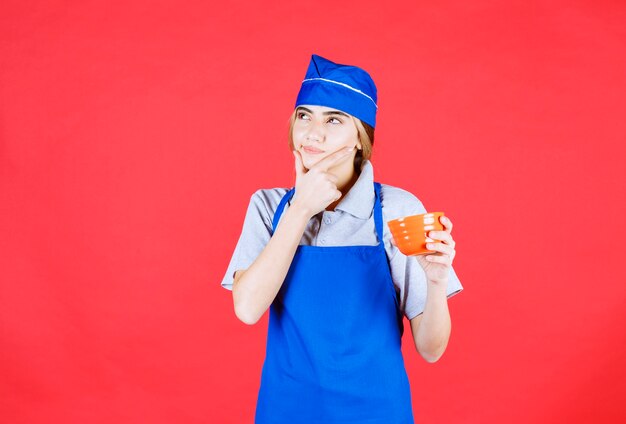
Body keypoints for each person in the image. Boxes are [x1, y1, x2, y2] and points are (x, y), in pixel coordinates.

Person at [221, 54, 463, 424]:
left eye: (334, 119)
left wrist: (435, 281)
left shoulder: (397, 209)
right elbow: (247, 308)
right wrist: (300, 209)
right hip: (286, 410)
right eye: (304, 115)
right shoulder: (268, 206)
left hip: (377, 412)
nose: (313, 133)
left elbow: (431, 350)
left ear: (359, 139)